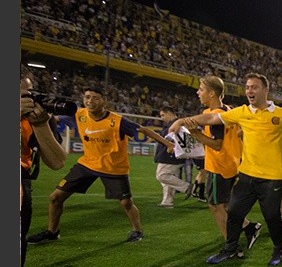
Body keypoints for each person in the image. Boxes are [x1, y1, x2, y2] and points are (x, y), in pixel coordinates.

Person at [169, 72, 282, 266]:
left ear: (265, 90)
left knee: (272, 217)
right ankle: (230, 249)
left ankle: (277, 249)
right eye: (247, 87)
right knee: (234, 213)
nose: (249, 91)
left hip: (273, 178)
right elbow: (212, 118)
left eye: (254, 87)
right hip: (246, 175)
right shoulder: (242, 112)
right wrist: (182, 121)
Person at [27, 87, 174, 244]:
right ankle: (52, 232)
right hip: (87, 164)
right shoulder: (78, 115)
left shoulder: (117, 121)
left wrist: (167, 143)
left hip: (113, 168)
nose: (90, 101)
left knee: (126, 203)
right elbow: (54, 119)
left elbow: (143, 130)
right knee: (55, 197)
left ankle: (137, 231)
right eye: (87, 97)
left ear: (104, 101)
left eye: (95, 98)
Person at [182, 75, 262, 250]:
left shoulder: (214, 115)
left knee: (215, 206)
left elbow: (217, 145)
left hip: (219, 166)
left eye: (201, 89)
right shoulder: (228, 110)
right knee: (225, 204)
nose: (198, 93)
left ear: (212, 93)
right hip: (231, 165)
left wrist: (195, 133)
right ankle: (249, 227)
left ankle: (230, 245)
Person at [20, 65, 67, 267]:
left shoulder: (35, 117)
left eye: (28, 94)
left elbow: (57, 161)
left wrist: (40, 125)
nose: (27, 100)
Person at [153, 107, 192, 208]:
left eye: (163, 115)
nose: (162, 118)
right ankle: (167, 202)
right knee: (168, 180)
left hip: (170, 157)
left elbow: (177, 140)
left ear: (169, 113)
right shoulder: (173, 125)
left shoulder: (175, 125)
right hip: (171, 156)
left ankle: (187, 187)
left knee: (162, 176)